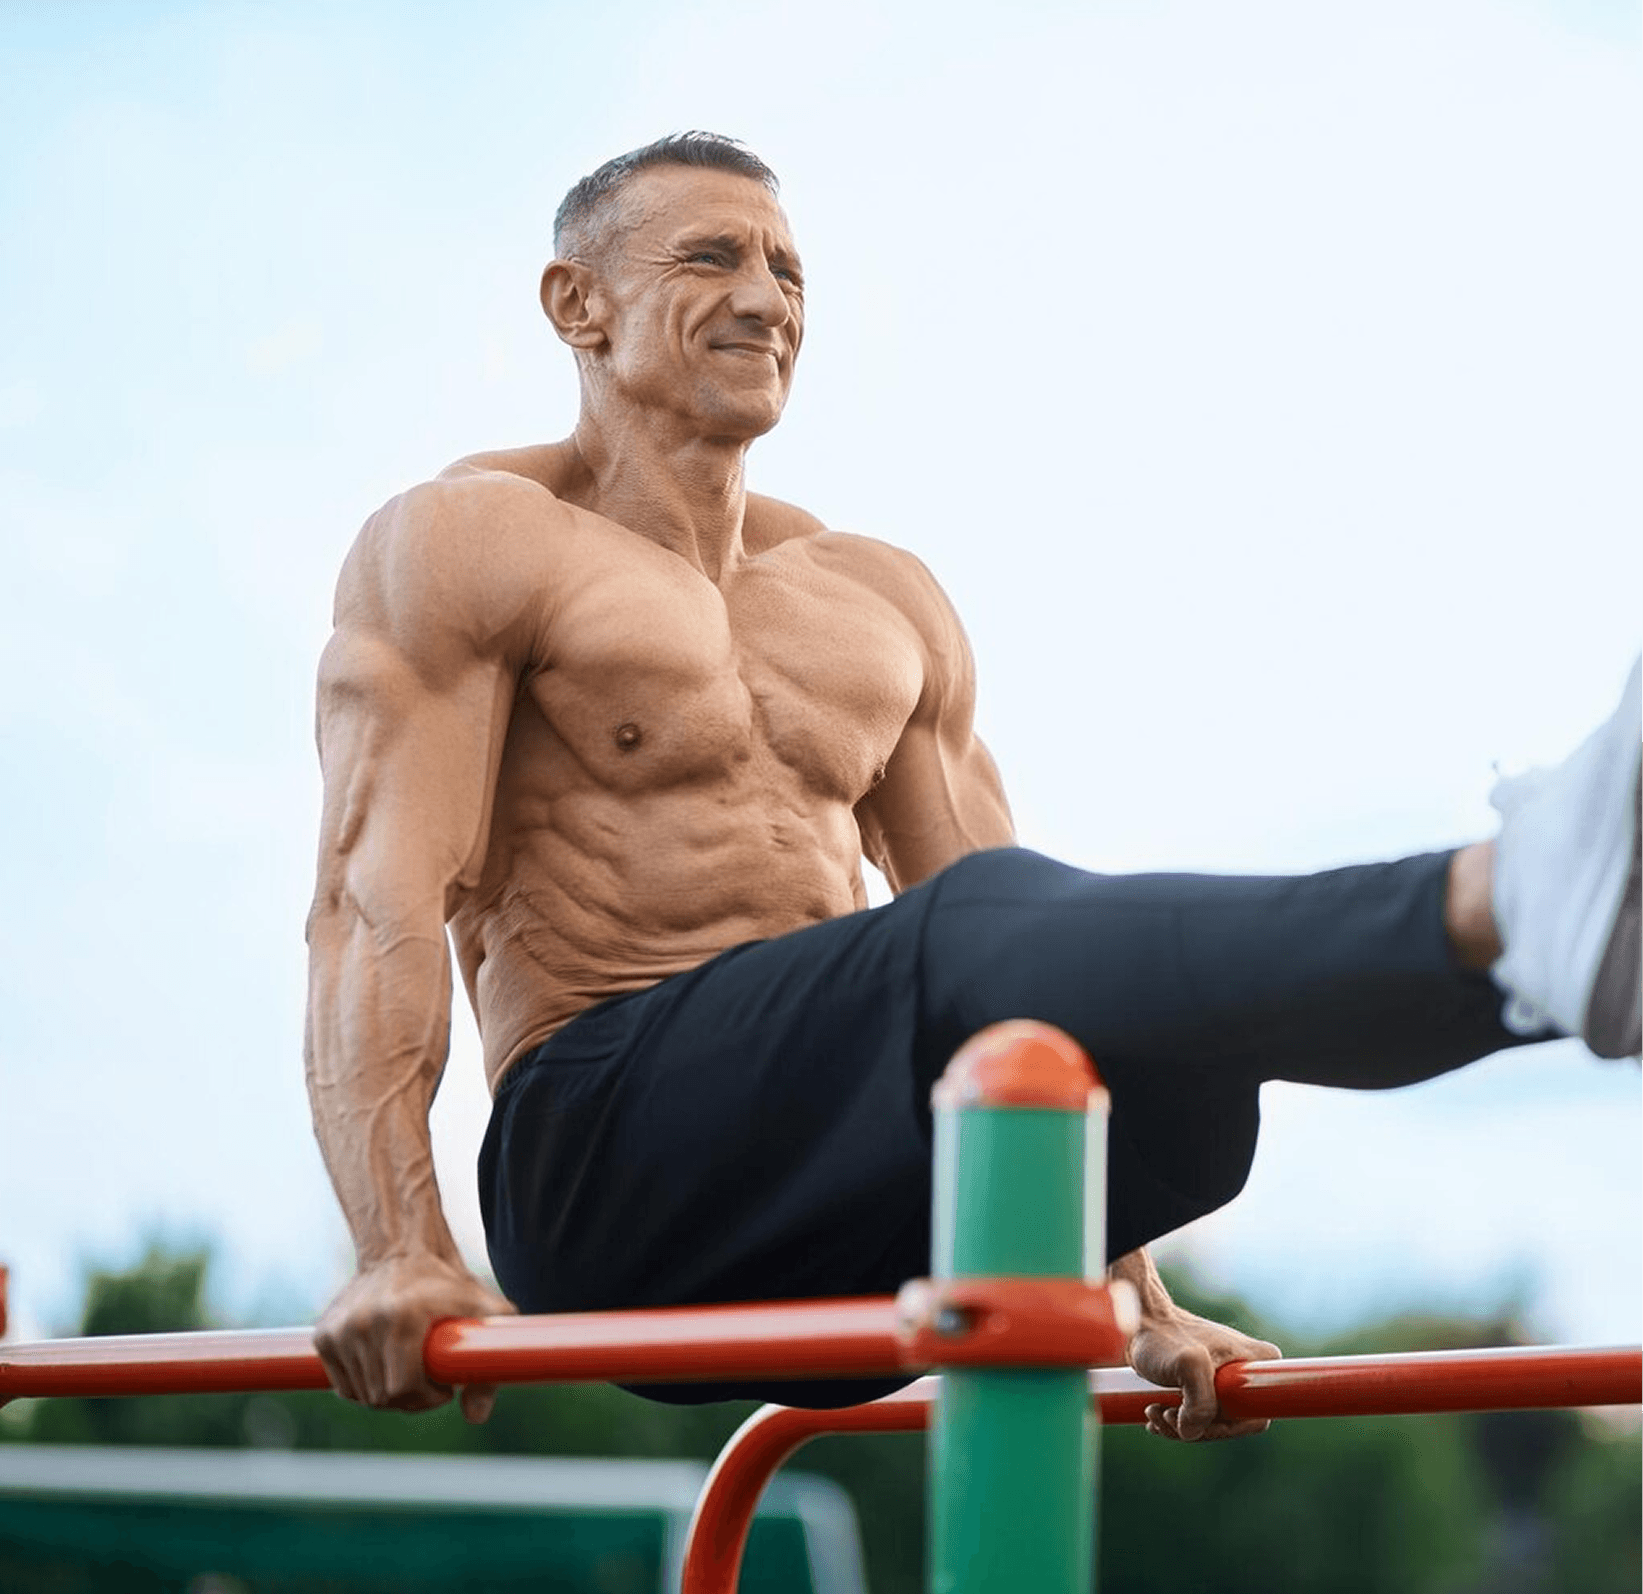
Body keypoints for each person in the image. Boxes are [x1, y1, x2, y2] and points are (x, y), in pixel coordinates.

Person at [304, 132, 1641, 1443]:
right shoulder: (468, 540)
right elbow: (371, 905)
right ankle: (1501, 897)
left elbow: (1024, 967)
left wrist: (1134, 1301)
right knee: (974, 929)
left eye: (789, 269)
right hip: (608, 1170)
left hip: (862, 1192)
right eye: (714, 256)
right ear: (575, 304)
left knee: (1180, 1086)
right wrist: (394, 1247)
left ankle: (1555, 954)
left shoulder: (873, 597)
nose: (766, 298)